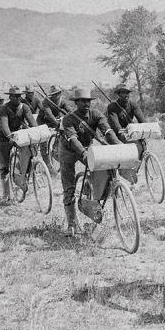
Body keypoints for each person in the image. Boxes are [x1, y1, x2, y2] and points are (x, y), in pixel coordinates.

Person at [59, 87, 120, 237]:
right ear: (76, 103)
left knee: (101, 168)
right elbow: (73, 140)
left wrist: (118, 145)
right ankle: (71, 224)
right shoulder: (68, 119)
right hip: (68, 150)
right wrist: (85, 154)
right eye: (82, 101)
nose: (86, 104)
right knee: (69, 187)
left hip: (86, 146)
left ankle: (90, 190)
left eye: (88, 101)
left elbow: (107, 131)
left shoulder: (96, 114)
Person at [0, 86, 37, 199]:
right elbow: (4, 125)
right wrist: (10, 137)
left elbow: (32, 122)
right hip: (4, 138)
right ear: (10, 97)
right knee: (4, 166)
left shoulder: (24, 107)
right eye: (15, 96)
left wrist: (37, 132)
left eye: (19, 96)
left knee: (28, 156)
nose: (18, 98)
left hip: (19, 136)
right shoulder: (4, 108)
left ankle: (21, 177)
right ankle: (6, 194)